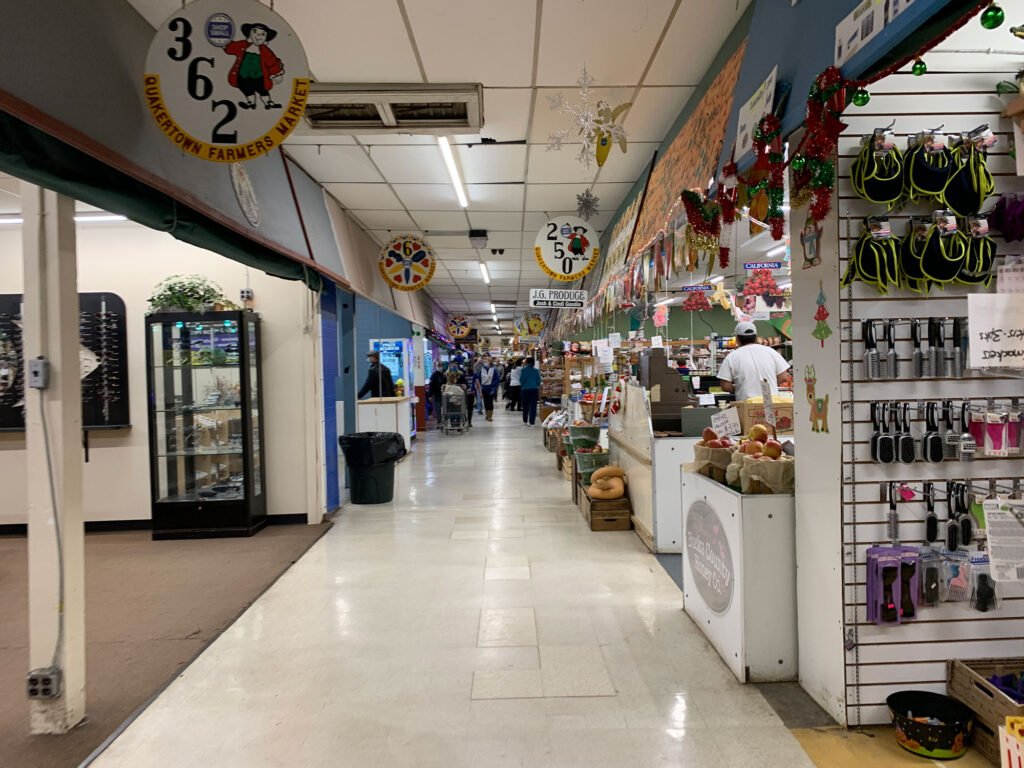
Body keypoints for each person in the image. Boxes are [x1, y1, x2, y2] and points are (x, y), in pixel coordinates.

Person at [716, 322, 791, 402]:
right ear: (756, 337)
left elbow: (725, 386)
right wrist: (768, 385)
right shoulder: (771, 352)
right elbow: (783, 377)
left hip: (747, 404)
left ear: (737, 338)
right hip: (770, 403)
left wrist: (740, 387)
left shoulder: (732, 357)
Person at [519, 357, 542, 426]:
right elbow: (539, 380)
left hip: (525, 390)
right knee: (533, 406)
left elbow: (521, 380)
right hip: (534, 390)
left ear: (526, 362)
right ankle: (532, 422)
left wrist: (523, 385)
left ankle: (525, 420)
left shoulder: (523, 370)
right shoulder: (536, 370)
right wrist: (536, 386)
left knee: (525, 405)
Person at [428, 362, 446, 429]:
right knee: (438, 409)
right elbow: (431, 386)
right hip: (437, 395)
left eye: (440, 365)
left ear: (442, 366)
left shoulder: (445, 374)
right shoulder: (434, 375)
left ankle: (445, 421)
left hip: (445, 395)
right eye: (438, 366)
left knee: (445, 409)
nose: (439, 367)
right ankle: (439, 422)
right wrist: (430, 395)